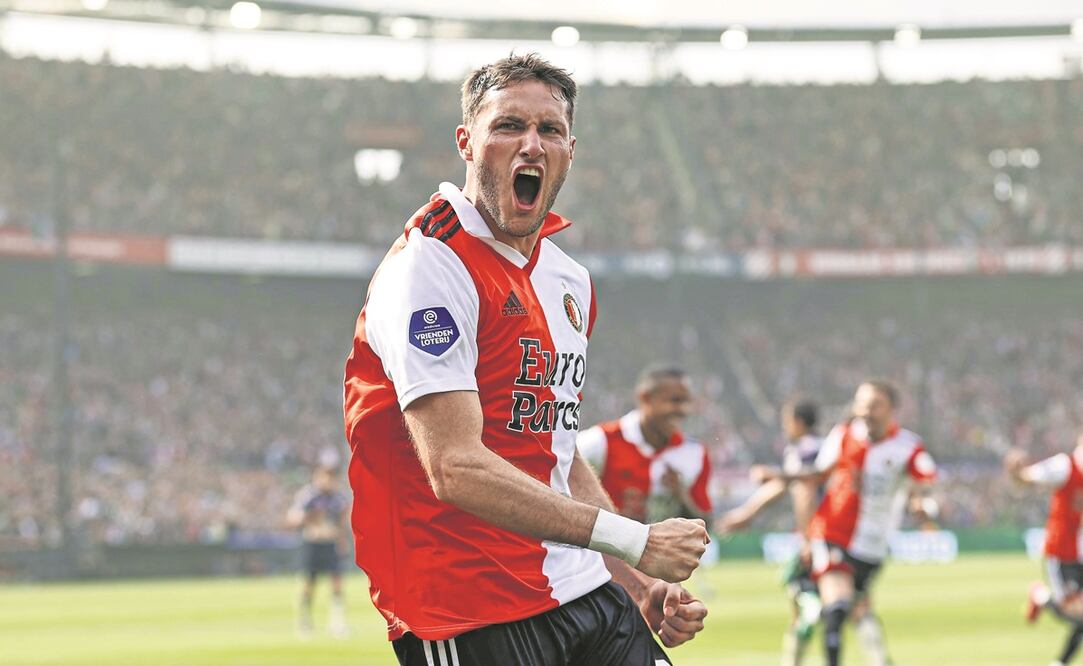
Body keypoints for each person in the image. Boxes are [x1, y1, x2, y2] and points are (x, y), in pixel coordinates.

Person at [342, 53, 709, 666]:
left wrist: (635, 580)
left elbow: (557, 451)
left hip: (582, 589)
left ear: (570, 151)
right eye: (509, 125)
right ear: (467, 142)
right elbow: (455, 466)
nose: (532, 144)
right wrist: (634, 539)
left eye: (550, 130)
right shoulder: (431, 264)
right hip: (467, 608)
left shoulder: (569, 279)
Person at [762, 381, 936, 666]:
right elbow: (818, 474)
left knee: (858, 611)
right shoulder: (843, 434)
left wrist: (922, 506)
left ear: (891, 409)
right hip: (833, 532)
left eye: (874, 405)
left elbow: (924, 485)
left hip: (873, 545)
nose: (865, 411)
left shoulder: (909, 447)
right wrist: (781, 476)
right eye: (861, 404)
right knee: (837, 607)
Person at [715, 397, 824, 666]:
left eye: (786, 421)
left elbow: (801, 488)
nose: (784, 427)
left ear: (798, 422)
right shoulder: (819, 448)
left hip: (820, 537)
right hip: (827, 536)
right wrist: (747, 513)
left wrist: (809, 538)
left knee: (812, 597)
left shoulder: (806, 449)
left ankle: (813, 607)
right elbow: (784, 484)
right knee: (803, 595)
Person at [576, 365, 713, 525]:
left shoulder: (694, 454)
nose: (683, 410)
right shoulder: (599, 441)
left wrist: (682, 496)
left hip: (664, 542)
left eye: (686, 401)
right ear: (645, 398)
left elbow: (705, 524)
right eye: (675, 400)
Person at [1005, 437, 1083, 666]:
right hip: (1062, 554)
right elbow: (1027, 478)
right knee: (1076, 613)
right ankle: (1040, 596)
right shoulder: (1064, 466)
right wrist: (1018, 472)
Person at [285, 466, 351, 638]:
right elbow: (293, 517)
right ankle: (304, 621)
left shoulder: (338, 498)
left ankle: (337, 622)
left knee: (337, 582)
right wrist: (310, 517)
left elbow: (343, 520)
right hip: (313, 543)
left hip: (330, 543)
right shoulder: (309, 496)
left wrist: (342, 540)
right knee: (308, 583)